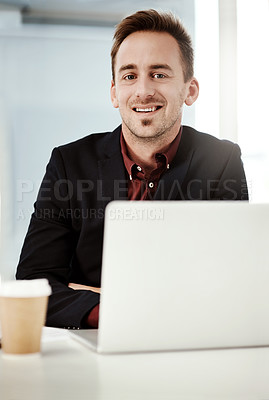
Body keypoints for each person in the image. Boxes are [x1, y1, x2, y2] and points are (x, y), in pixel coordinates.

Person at [16, 9, 248, 329]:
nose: (143, 90)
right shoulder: (68, 164)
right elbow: (33, 284)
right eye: (129, 75)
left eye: (159, 74)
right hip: (91, 348)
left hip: (186, 347)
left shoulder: (222, 162)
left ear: (189, 90)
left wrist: (88, 291)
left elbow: (234, 285)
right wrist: (113, 310)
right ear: (115, 92)